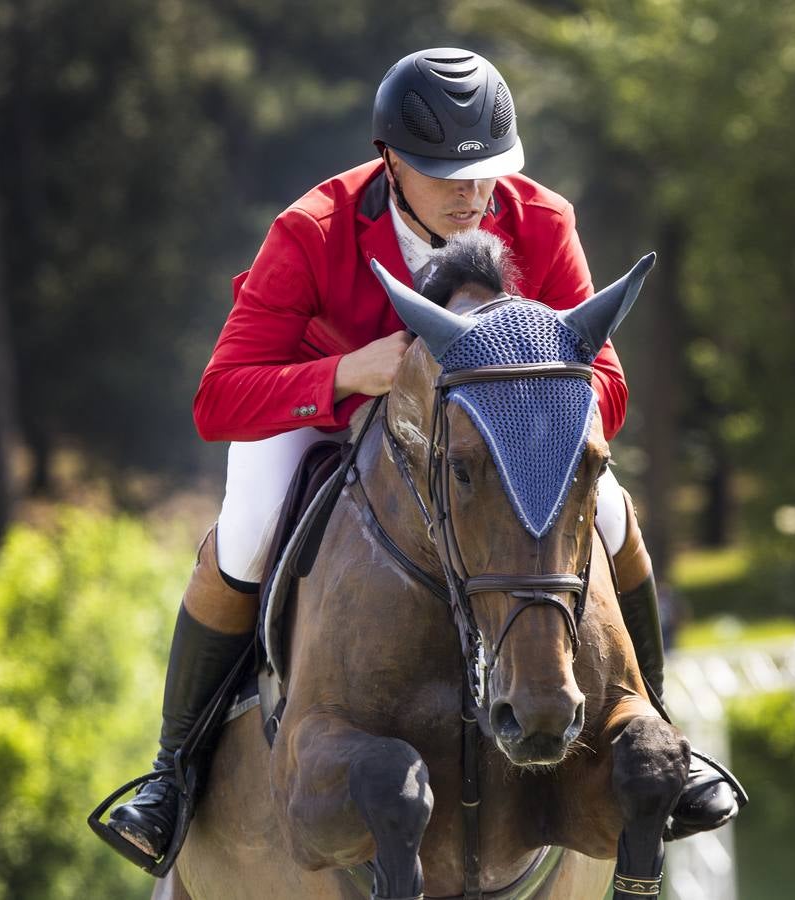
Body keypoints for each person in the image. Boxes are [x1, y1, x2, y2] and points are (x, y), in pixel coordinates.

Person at [103, 47, 741, 867]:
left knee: (613, 513)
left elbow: (605, 389)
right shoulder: (312, 229)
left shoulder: (539, 218)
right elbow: (219, 396)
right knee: (249, 527)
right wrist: (346, 373)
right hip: (329, 416)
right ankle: (172, 772)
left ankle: (657, 724)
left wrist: (528, 393)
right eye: (448, 174)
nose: (474, 194)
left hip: (493, 433)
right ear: (390, 161)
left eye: (487, 171)